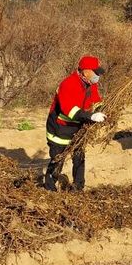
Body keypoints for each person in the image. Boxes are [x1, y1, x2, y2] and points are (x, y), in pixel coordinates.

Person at [44, 55, 107, 191]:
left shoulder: (91, 85)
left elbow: (96, 101)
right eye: (96, 72)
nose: (98, 76)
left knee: (79, 156)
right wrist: (91, 116)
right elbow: (70, 111)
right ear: (86, 71)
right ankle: (49, 188)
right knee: (57, 159)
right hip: (60, 128)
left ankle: (78, 187)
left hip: (78, 126)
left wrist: (101, 111)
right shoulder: (68, 84)